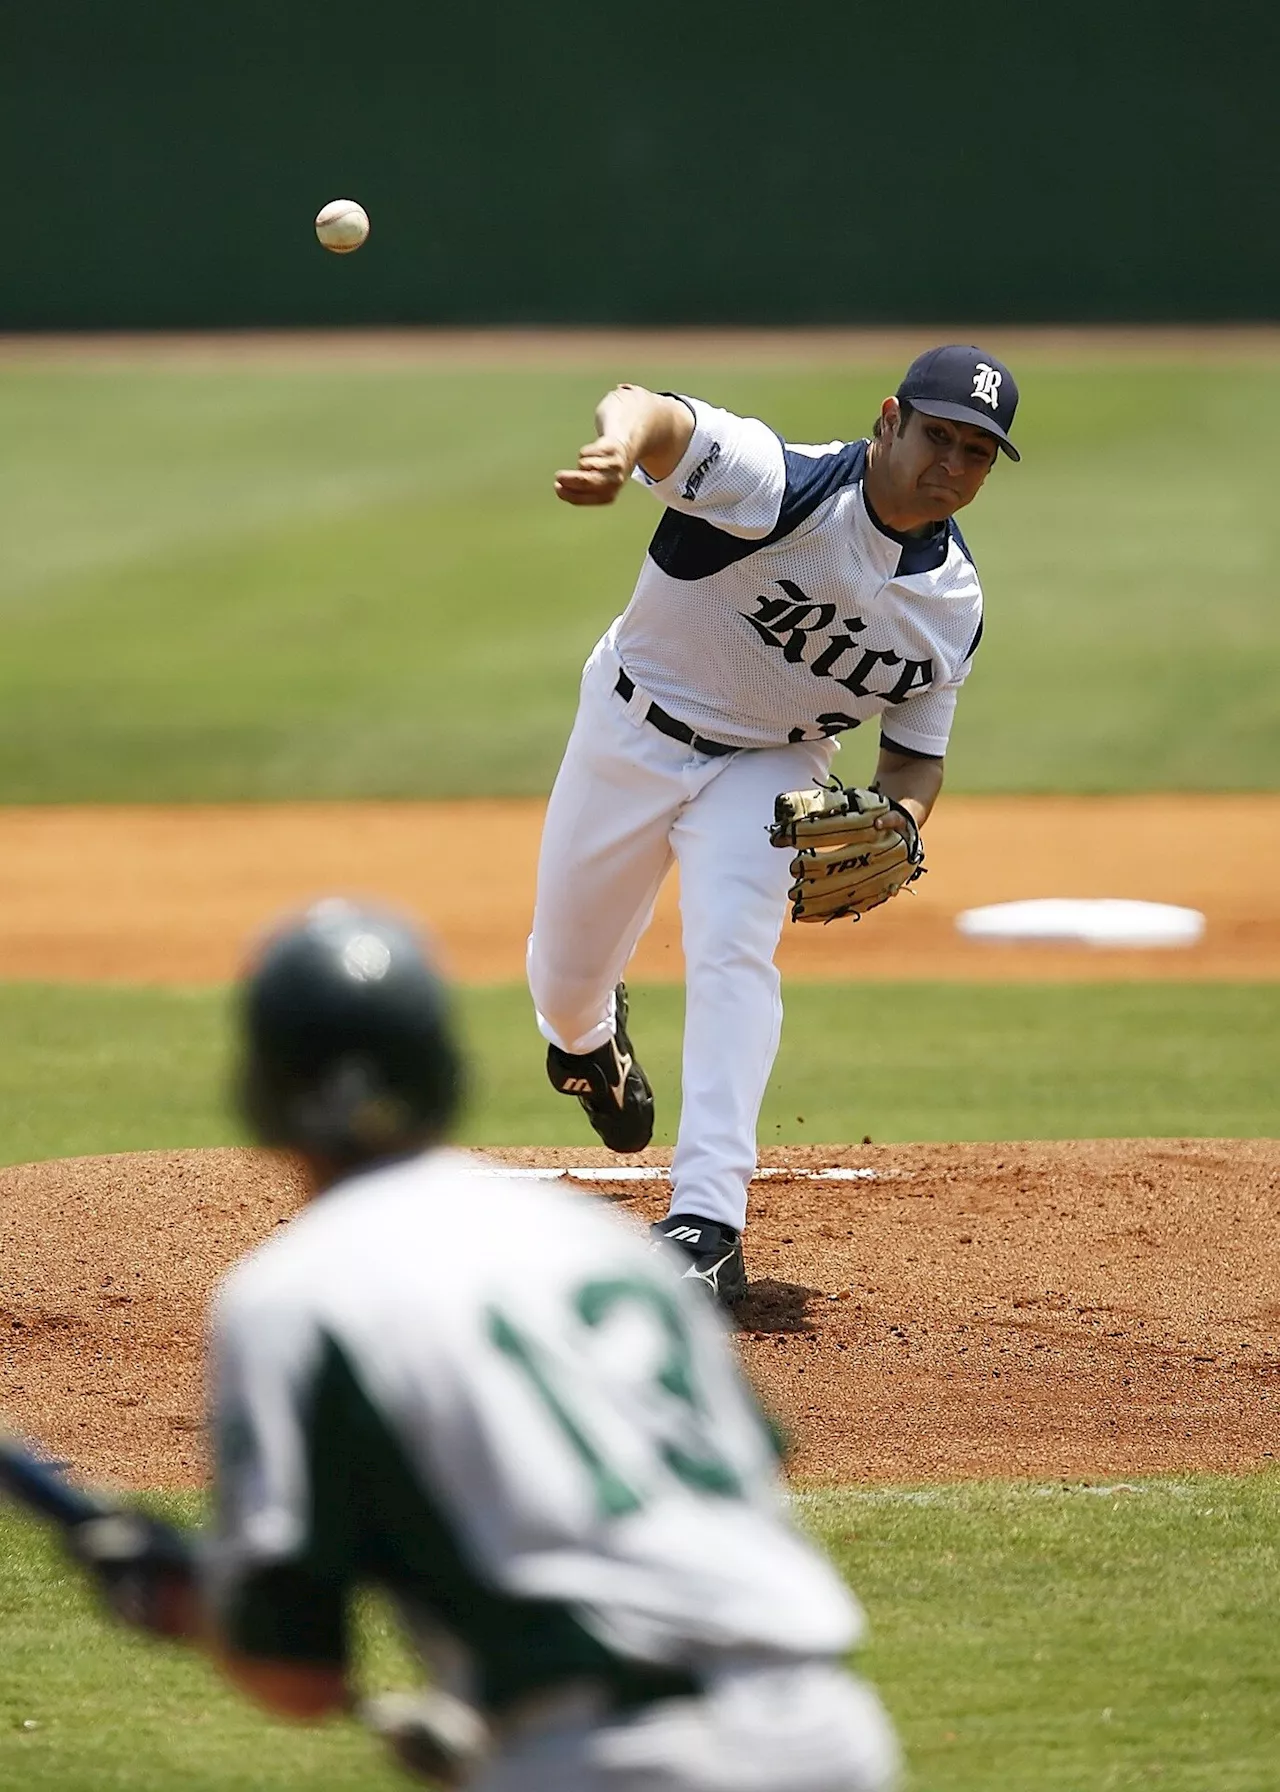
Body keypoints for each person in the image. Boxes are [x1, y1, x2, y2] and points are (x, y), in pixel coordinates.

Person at [65, 900, 899, 1792]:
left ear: (261, 1094)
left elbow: (296, 1672)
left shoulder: (290, 1296)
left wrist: (193, 1606)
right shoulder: (605, 1246)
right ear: (443, 1070)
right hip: (833, 1736)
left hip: (614, 1760)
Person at [530, 346, 1020, 1304]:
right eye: (938, 437)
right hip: (632, 724)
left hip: (771, 763)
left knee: (732, 948)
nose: (952, 466)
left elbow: (915, 757)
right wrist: (614, 450)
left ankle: (708, 1222)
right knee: (562, 980)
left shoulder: (951, 608)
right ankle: (588, 1044)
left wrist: (904, 825)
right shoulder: (777, 484)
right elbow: (648, 407)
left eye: (976, 453)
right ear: (890, 419)